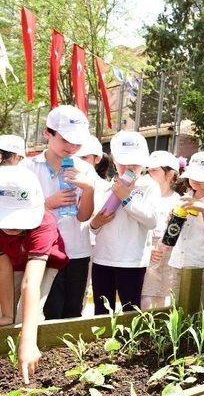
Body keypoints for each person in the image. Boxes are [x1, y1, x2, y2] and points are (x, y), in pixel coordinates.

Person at [21, 105, 96, 320]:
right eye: (65, 140)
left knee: (73, 312)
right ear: (48, 133)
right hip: (42, 253)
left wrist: (88, 189)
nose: (71, 147)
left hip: (77, 252)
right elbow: (17, 215)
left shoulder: (85, 169)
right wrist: (47, 204)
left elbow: (83, 216)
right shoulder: (28, 168)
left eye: (77, 142)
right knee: (47, 312)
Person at [0, 166, 68, 384]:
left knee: (27, 318)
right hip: (13, 260)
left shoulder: (44, 223)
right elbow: (3, 268)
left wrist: (27, 341)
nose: (11, 226)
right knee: (6, 315)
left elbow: (31, 283)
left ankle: (30, 367)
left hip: (44, 264)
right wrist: (6, 314)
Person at [90, 131, 160, 314]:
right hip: (102, 258)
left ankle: (129, 343)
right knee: (102, 311)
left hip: (132, 261)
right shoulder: (104, 188)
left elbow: (152, 221)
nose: (129, 167)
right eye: (123, 162)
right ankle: (102, 342)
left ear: (144, 163)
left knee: (131, 310)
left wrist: (127, 199)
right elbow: (93, 228)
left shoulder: (149, 187)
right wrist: (95, 222)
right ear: (115, 162)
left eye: (135, 163)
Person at [167, 151, 204, 313]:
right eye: (193, 177)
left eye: (202, 177)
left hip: (202, 264)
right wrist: (172, 218)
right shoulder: (183, 198)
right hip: (179, 262)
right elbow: (172, 234)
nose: (196, 181)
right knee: (176, 311)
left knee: (198, 313)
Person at [141, 151, 183, 309]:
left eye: (155, 170)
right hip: (145, 252)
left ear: (170, 173)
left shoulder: (178, 200)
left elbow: (176, 229)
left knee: (162, 301)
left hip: (168, 255)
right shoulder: (142, 196)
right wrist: (148, 248)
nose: (149, 174)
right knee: (144, 300)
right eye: (148, 170)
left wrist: (162, 246)